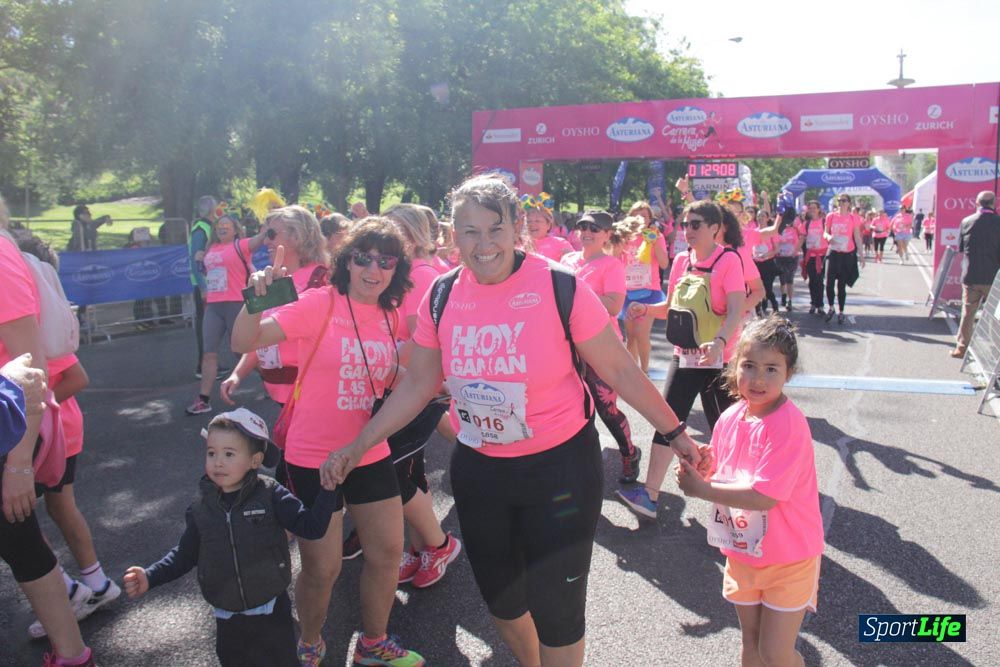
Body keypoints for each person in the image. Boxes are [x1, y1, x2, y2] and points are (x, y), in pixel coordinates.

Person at [319, 175, 704, 667]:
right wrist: (358, 445)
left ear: (517, 227)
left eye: (494, 229)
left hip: (560, 469)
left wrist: (675, 432)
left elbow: (620, 370)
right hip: (482, 472)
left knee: (558, 609)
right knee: (502, 602)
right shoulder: (440, 294)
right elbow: (418, 385)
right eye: (469, 232)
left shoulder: (560, 285)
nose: (483, 245)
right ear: (451, 236)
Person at [231, 218, 424, 667]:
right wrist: (255, 302)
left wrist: (427, 380)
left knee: (387, 553)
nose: (373, 269)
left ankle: (373, 644)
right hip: (313, 457)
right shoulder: (319, 303)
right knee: (324, 568)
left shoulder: (392, 314)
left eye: (385, 260)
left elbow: (386, 375)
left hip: (368, 450)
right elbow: (245, 339)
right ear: (347, 262)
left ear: (397, 269)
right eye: (363, 258)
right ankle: (310, 642)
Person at [123, 409, 340, 667]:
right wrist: (150, 576)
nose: (218, 462)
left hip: (272, 610)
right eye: (211, 452)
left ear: (254, 460)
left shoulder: (271, 495)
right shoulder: (201, 508)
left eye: (229, 454)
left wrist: (328, 493)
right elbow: (184, 554)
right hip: (227, 617)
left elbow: (311, 527)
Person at [675, 316, 823, 667]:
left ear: (789, 373)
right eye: (749, 366)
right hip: (743, 550)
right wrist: (705, 464)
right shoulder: (731, 417)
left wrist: (702, 489)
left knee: (775, 653)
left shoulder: (788, 425)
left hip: (789, 555)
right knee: (751, 645)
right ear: (734, 367)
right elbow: (726, 471)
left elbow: (763, 496)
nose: (758, 378)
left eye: (772, 369)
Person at [1, 195, 97, 667]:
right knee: (24, 536)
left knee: (26, 534)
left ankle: (76, 638)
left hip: (16, 426)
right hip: (24, 424)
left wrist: (19, 461)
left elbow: (39, 370)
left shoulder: (2, 258)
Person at [617, 200, 746, 519]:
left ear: (715, 228)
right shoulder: (680, 263)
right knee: (667, 423)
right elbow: (671, 309)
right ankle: (649, 495)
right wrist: (646, 309)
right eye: (686, 224)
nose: (688, 230)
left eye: (696, 224)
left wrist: (718, 343)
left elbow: (736, 309)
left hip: (718, 360)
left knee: (726, 429)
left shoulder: (729, 260)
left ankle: (735, 503)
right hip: (684, 357)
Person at [382, 203, 461, 588]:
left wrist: (381, 366)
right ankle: (421, 550)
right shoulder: (413, 272)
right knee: (410, 469)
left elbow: (419, 342)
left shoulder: (421, 275)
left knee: (390, 468)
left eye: (395, 230)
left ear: (413, 234)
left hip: (419, 386)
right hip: (413, 383)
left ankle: (439, 544)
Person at [220, 206, 330, 409]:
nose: (265, 241)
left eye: (271, 234)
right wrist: (238, 374)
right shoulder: (273, 279)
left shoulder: (321, 279)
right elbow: (261, 334)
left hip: (311, 395)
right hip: (280, 394)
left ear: (297, 235)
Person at [561, 210, 641, 484]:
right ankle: (580, 466)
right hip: (567, 346)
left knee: (606, 409)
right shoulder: (567, 260)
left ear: (607, 234)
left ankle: (629, 454)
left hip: (601, 346)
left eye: (594, 229)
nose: (586, 232)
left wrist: (577, 294)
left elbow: (615, 305)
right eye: (583, 226)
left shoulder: (611, 265)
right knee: (572, 407)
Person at [185, 210, 267, 415]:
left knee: (242, 350)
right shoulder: (210, 248)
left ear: (235, 230)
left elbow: (260, 238)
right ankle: (203, 399)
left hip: (236, 304)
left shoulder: (241, 246)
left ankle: (271, 379)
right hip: (214, 306)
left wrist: (268, 223)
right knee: (209, 352)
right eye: (219, 225)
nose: (222, 227)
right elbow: (208, 272)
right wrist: (199, 258)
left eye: (226, 225)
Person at [621, 201, 669, 374]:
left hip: (650, 292)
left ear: (650, 220)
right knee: (631, 335)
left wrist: (655, 242)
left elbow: (664, 263)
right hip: (627, 292)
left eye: (644, 216)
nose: (640, 219)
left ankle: (645, 370)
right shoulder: (623, 236)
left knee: (641, 332)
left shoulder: (656, 236)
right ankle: (634, 372)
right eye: (636, 215)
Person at [952, 191, 1000, 358]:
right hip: (994, 278)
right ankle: (995, 351)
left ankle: (961, 348)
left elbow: (960, 248)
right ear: (994, 203)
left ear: (977, 203)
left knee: (968, 313)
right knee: (995, 315)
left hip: (971, 275)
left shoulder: (966, 221)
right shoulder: (998, 222)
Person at [823, 195, 865, 325]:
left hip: (847, 254)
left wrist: (861, 255)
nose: (841, 203)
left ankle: (841, 311)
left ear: (849, 203)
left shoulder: (853, 218)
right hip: (834, 252)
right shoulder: (831, 216)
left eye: (843, 201)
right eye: (839, 201)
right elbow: (825, 232)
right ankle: (831, 308)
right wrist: (829, 237)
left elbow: (857, 236)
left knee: (841, 285)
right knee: (829, 283)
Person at [189, 196, 217, 378]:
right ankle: (202, 366)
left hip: (212, 283)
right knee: (205, 327)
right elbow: (196, 260)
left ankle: (211, 364)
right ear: (211, 210)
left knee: (212, 327)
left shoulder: (207, 227)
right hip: (205, 285)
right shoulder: (201, 228)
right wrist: (202, 287)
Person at [523, 194, 573, 261]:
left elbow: (573, 265)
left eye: (537, 221)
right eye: (529, 221)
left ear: (548, 225)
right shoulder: (519, 243)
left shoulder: (560, 244)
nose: (532, 224)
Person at [800, 201, 828, 315]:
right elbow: (801, 239)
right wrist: (794, 250)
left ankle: (820, 305)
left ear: (818, 209)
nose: (812, 210)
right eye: (810, 208)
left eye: (814, 208)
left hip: (822, 256)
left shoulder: (824, 222)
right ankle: (813, 303)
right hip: (810, 256)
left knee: (819, 280)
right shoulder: (806, 224)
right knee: (812, 280)